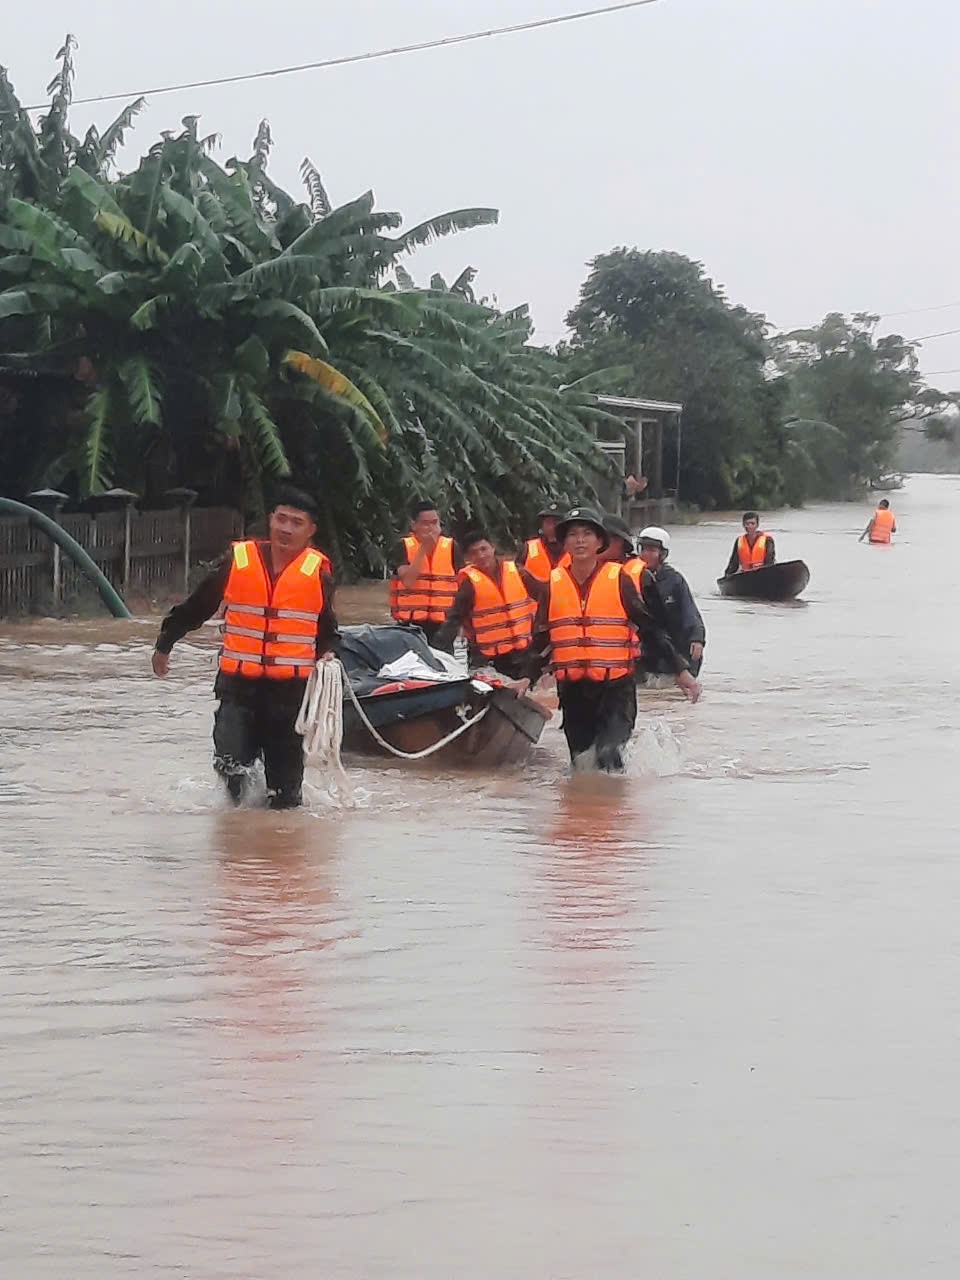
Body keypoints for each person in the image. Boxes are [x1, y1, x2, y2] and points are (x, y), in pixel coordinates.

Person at [151, 485, 337, 809]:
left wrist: (329, 652)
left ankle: (275, 849)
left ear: (311, 531)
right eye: (282, 519)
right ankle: (238, 839)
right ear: (271, 520)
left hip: (290, 695)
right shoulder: (239, 560)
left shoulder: (317, 572)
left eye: (296, 522)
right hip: (238, 689)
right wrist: (166, 643)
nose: (286, 529)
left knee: (285, 797)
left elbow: (326, 628)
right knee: (231, 768)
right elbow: (200, 605)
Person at [529, 506, 700, 773]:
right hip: (573, 690)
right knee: (582, 762)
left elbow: (650, 629)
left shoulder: (620, 580)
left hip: (615, 689)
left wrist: (681, 671)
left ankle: (616, 810)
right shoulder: (553, 584)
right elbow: (540, 639)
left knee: (609, 755)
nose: (580, 540)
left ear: (600, 541)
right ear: (564, 542)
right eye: (573, 535)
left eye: (587, 534)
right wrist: (524, 678)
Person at [433, 531, 539, 679]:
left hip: (524, 652)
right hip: (489, 657)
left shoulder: (517, 572)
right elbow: (454, 619)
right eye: (474, 553)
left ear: (493, 547)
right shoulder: (469, 584)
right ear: (469, 558)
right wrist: (437, 652)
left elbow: (544, 595)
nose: (481, 556)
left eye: (484, 549)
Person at [389, 501, 463, 647]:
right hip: (410, 624)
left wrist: (463, 622)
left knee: (443, 664)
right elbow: (408, 581)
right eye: (425, 524)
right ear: (414, 525)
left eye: (435, 523)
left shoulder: (451, 547)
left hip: (444, 624)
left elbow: (463, 586)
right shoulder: (403, 547)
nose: (431, 528)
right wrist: (423, 549)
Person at [636, 526, 706, 677]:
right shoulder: (630, 578)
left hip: (673, 647)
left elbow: (690, 612)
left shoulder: (674, 580)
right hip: (644, 651)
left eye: (651, 550)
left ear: (662, 554)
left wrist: (697, 639)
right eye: (643, 549)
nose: (645, 555)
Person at [518, 500, 570, 582]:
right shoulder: (528, 548)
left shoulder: (576, 550)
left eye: (556, 522)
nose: (551, 527)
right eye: (548, 522)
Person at [724, 511, 775, 575]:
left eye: (752, 523)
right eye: (747, 524)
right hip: (745, 575)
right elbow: (734, 562)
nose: (750, 526)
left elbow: (770, 560)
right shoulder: (739, 541)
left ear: (757, 525)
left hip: (762, 574)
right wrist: (727, 575)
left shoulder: (768, 540)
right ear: (743, 525)